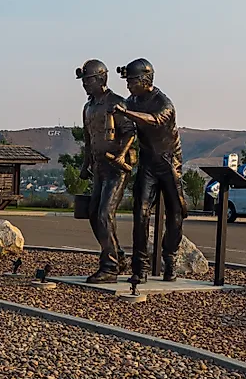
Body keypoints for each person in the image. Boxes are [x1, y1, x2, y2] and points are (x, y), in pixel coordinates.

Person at [114, 58, 186, 283]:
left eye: (132, 81)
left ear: (145, 80)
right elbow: (124, 125)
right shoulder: (131, 100)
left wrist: (127, 113)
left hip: (169, 163)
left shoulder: (164, 103)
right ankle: (140, 267)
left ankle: (170, 258)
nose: (128, 85)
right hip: (147, 164)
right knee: (140, 213)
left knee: (176, 213)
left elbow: (154, 120)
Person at [75, 59, 137, 284]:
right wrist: (85, 164)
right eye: (83, 81)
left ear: (102, 78)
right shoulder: (88, 107)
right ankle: (118, 256)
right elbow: (89, 139)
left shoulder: (117, 103)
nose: (85, 85)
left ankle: (109, 267)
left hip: (116, 168)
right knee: (93, 214)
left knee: (104, 214)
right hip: (99, 167)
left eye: (88, 80)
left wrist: (122, 154)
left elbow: (130, 132)